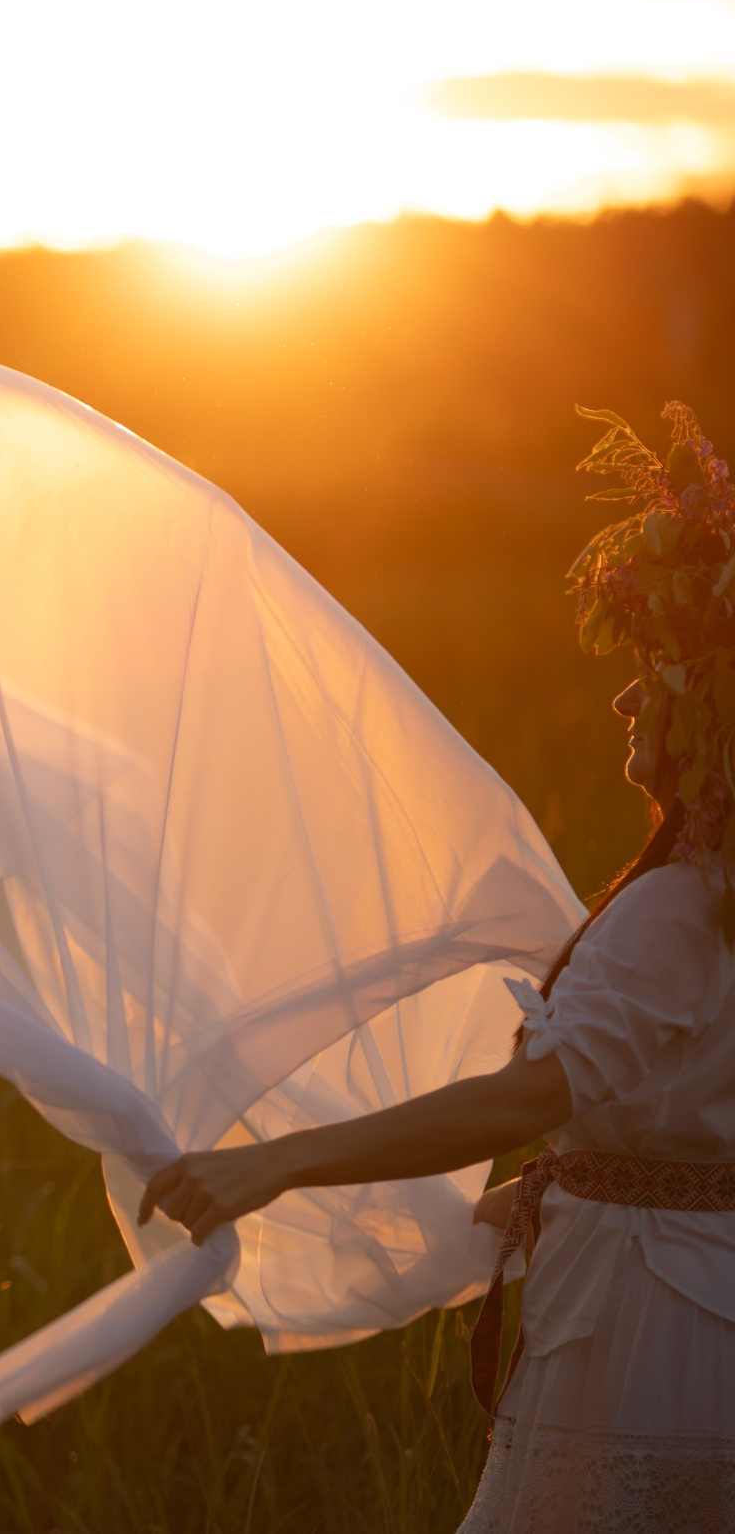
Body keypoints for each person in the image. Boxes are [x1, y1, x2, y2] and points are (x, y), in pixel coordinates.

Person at [139, 405, 735, 1532]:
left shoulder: (674, 907)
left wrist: (274, 1167)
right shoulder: (714, 898)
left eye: (652, 672)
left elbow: (524, 1098)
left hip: (645, 1334)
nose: (619, 697)